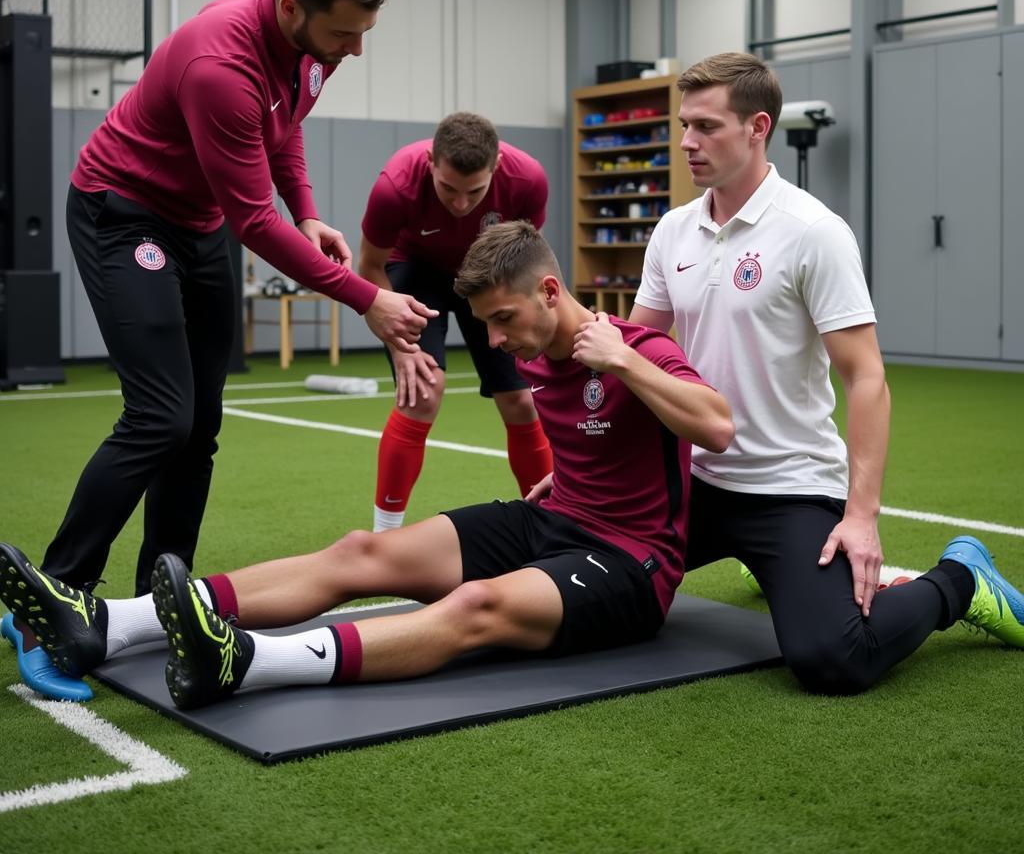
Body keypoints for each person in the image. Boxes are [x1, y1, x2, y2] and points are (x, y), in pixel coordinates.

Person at [0, 220, 734, 707]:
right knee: (361, 552)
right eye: (487, 326)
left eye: (505, 319)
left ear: (550, 290)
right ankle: (107, 621)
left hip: (630, 565)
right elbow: (601, 446)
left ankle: (246, 662)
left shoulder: (638, 350)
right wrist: (564, 479)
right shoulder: (539, 353)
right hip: (554, 520)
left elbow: (717, 428)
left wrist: (626, 364)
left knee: (474, 608)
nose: (499, 340)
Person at [5, 0, 437, 703]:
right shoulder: (220, 65)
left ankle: (149, 605)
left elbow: (288, 130)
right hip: (123, 212)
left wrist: (307, 209)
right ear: (288, 10)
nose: (356, 50)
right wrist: (367, 298)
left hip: (198, 224)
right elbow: (253, 224)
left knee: (200, 425)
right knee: (161, 417)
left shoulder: (314, 47)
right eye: (345, 33)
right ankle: (49, 602)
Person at [624, 51, 1024, 692]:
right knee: (605, 592)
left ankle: (961, 580)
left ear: (758, 127)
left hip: (789, 486)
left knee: (833, 660)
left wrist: (860, 516)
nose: (686, 143)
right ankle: (773, 569)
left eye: (706, 127)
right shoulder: (673, 231)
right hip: (693, 479)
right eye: (683, 125)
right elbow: (638, 350)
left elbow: (866, 378)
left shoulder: (813, 231)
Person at [359, 114, 552, 533]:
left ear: (497, 167)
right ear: (430, 161)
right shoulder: (395, 187)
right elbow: (370, 268)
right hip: (414, 271)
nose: (461, 203)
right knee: (422, 390)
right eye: (448, 188)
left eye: (475, 192)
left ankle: (550, 522)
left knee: (521, 401)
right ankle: (384, 536)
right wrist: (400, 346)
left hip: (487, 274)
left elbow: (525, 264)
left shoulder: (528, 180)